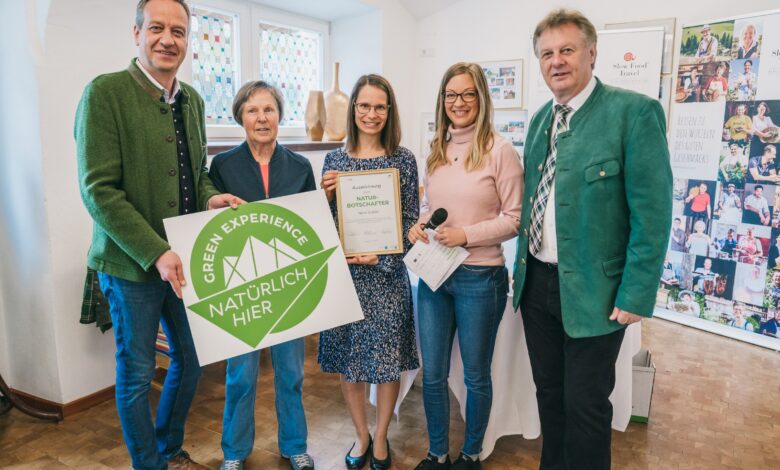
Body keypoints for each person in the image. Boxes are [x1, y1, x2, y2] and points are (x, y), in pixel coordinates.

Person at [74, 1, 243, 468]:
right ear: (137, 34)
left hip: (184, 262)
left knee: (190, 360)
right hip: (130, 267)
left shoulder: (193, 100)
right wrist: (156, 252)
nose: (168, 39)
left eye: (178, 31)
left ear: (188, 41)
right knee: (136, 375)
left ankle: (169, 450)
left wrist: (212, 198)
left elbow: (197, 172)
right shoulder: (104, 93)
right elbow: (98, 191)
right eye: (156, 28)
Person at [512, 10, 672, 470]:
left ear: (592, 53)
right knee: (550, 395)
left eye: (567, 50)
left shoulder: (634, 113)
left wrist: (636, 293)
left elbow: (652, 215)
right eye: (547, 53)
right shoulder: (541, 120)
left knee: (585, 405)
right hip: (537, 285)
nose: (556, 61)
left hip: (596, 293)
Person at [408, 62, 523, 470]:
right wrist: (419, 225)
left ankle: (471, 454)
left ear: (481, 98)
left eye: (468, 93)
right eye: (451, 95)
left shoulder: (500, 150)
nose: (459, 102)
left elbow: (515, 218)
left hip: (480, 277)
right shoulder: (436, 150)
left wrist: (466, 235)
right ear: (443, 100)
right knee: (433, 374)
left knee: (475, 375)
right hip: (435, 276)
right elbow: (430, 205)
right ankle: (437, 453)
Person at [208, 81, 316, 470]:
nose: (261, 118)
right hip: (241, 287)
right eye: (252, 110)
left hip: (288, 285)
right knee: (240, 376)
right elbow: (210, 227)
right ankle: (234, 452)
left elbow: (311, 229)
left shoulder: (300, 167)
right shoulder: (222, 165)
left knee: (291, 373)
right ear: (240, 116)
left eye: (269, 109)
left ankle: (295, 445)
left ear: (280, 115)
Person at [318, 74, 420, 470]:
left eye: (380, 107)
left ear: (389, 111)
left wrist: (383, 258)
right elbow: (323, 224)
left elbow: (410, 222)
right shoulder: (334, 160)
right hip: (346, 279)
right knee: (350, 362)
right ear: (353, 109)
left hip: (387, 278)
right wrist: (324, 196)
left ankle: (380, 437)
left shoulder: (403, 159)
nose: (371, 114)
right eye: (364, 105)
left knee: (386, 362)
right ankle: (360, 434)